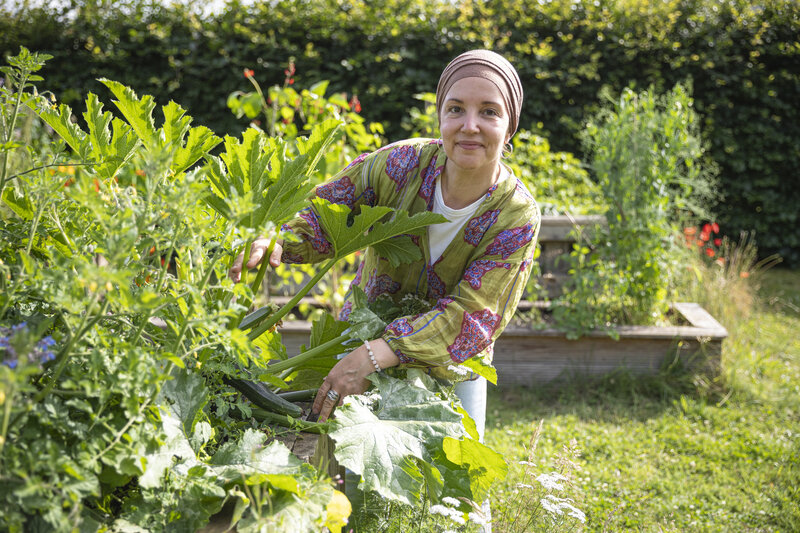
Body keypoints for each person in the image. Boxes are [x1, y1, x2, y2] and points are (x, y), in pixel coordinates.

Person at [230, 50, 539, 443]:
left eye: (490, 112)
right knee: (343, 479)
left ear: (510, 126)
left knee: (456, 497)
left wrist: (377, 354)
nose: (470, 126)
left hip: (446, 367)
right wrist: (275, 241)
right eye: (456, 108)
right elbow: (325, 212)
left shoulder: (515, 215)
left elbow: (474, 317)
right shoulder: (399, 164)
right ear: (440, 116)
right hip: (355, 341)